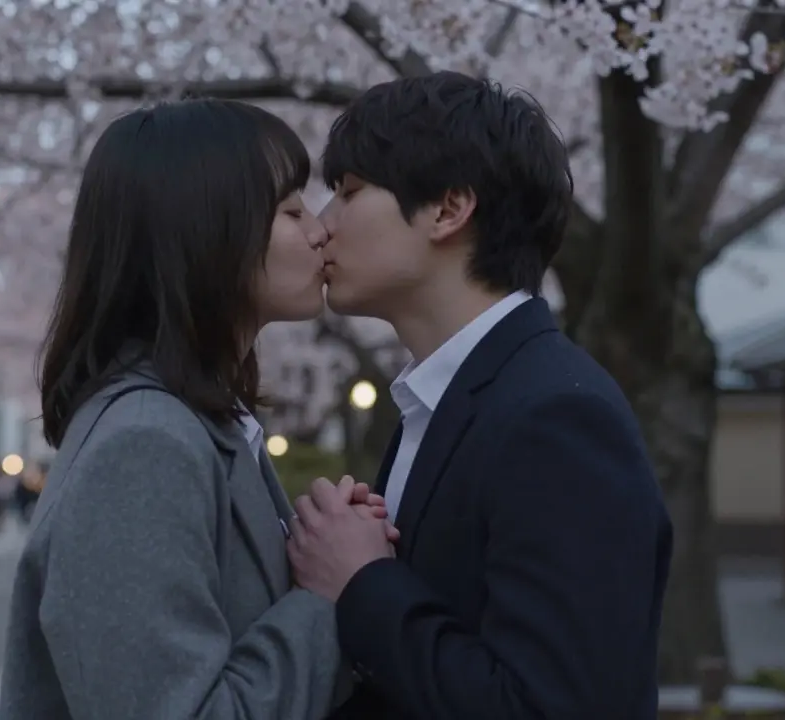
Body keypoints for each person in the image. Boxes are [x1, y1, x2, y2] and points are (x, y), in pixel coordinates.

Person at [287, 71, 674, 718]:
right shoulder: (449, 398)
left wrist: (362, 582)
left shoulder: (556, 417)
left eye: (348, 192)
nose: (321, 228)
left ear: (447, 209)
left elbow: (555, 706)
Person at [0, 98, 396, 720]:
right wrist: (329, 592)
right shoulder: (145, 446)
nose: (320, 228)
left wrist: (322, 548)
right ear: (207, 234)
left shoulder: (198, 423)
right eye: (291, 210)